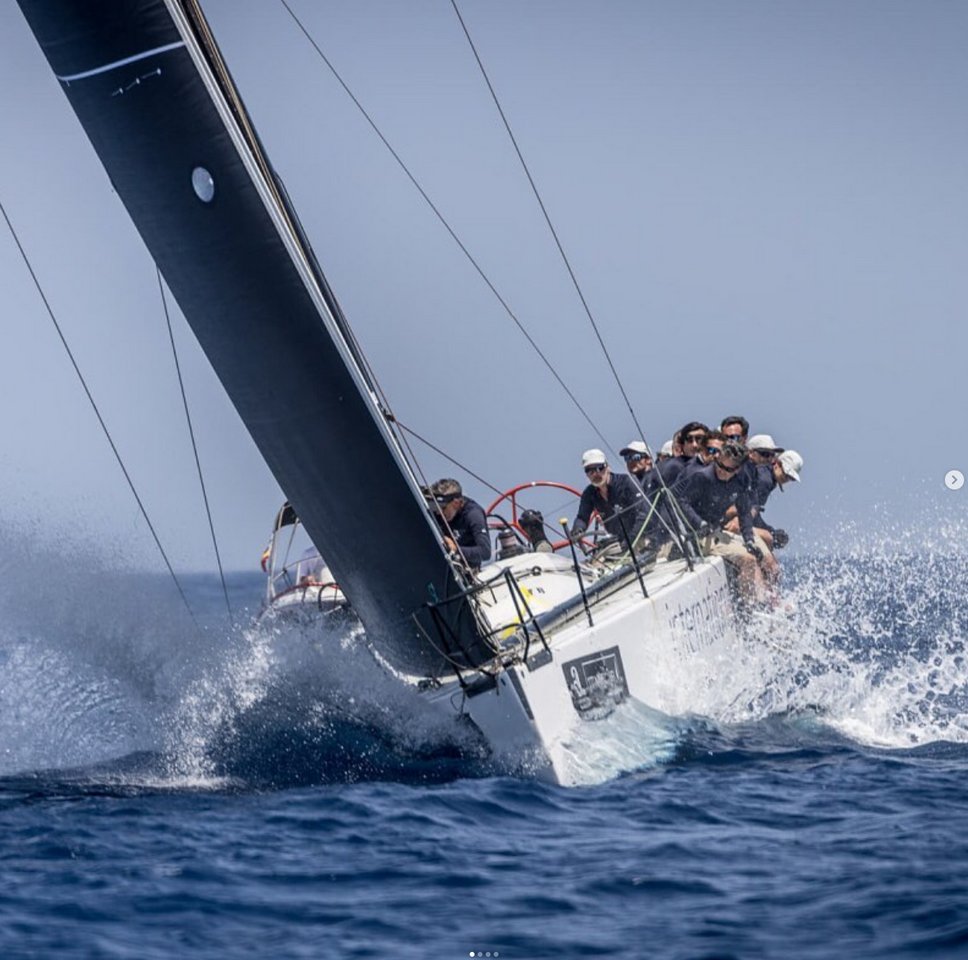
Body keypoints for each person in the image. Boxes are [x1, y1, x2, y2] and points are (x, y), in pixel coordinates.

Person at [668, 440, 777, 603]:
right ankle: (748, 609)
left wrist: (748, 539)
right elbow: (681, 502)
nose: (721, 471)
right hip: (699, 533)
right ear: (717, 458)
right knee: (748, 560)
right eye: (719, 465)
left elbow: (744, 512)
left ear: (737, 469)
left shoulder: (740, 481)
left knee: (758, 555)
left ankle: (762, 602)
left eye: (728, 469)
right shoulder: (702, 477)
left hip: (717, 531)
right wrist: (699, 523)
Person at [571, 449, 652, 548]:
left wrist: (630, 541)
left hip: (643, 539)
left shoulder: (627, 482)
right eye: (589, 470)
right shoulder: (589, 493)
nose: (595, 474)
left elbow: (644, 514)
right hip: (619, 543)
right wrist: (577, 529)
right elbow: (582, 518)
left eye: (599, 468)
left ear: (608, 467)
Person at [430, 478, 491, 569]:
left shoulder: (473, 514)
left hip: (468, 572)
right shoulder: (439, 514)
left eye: (442, 508)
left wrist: (455, 549)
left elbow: (485, 552)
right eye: (435, 508)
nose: (438, 513)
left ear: (456, 503)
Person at [658, 422, 708, 486]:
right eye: (689, 440)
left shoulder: (716, 466)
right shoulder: (676, 467)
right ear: (682, 444)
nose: (694, 445)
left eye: (699, 439)